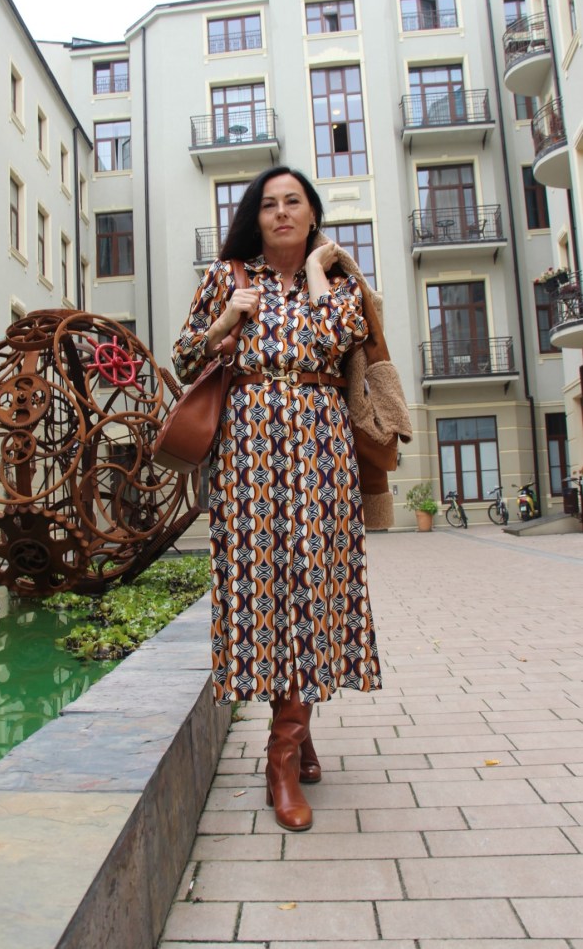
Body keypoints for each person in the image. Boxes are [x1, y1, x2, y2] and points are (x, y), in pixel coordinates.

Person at [172, 166, 382, 832]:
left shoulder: (340, 283)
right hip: (249, 459)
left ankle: (282, 756)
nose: (282, 212)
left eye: (294, 202)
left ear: (312, 214)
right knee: (264, 592)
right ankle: (295, 736)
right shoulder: (227, 276)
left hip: (322, 453)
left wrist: (318, 270)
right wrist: (225, 320)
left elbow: (332, 341)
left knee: (315, 587)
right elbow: (183, 358)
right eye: (269, 204)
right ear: (255, 217)